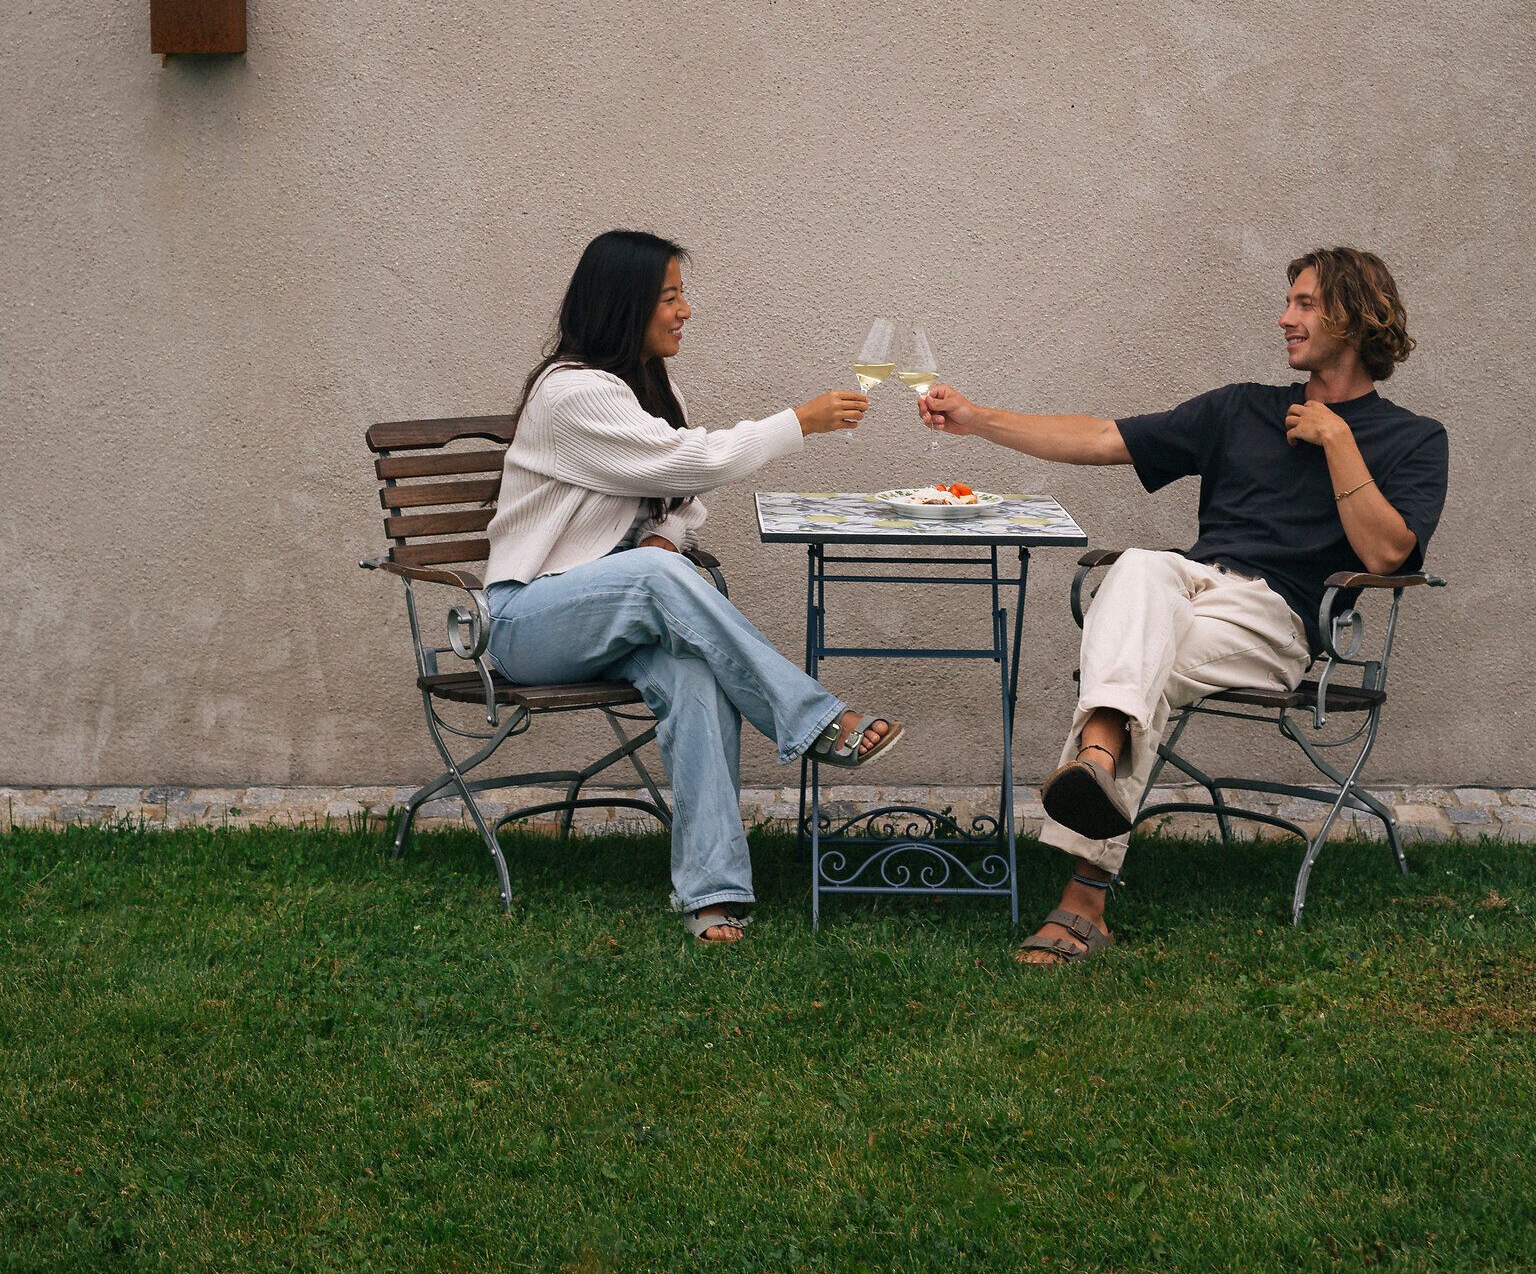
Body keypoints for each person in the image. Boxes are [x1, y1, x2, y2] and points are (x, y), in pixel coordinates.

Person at [918, 247, 1448, 967]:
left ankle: (1086, 852)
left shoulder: (1414, 439)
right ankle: (1096, 792)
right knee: (1140, 570)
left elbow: (1386, 555)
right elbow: (1103, 438)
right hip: (1187, 589)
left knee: (1143, 655)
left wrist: (1338, 441)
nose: (1284, 317)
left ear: (1352, 316)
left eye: (1302, 303)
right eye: (1288, 302)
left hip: (1278, 619)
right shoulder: (1240, 409)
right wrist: (976, 419)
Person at [484, 229, 906, 944]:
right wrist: (796, 423)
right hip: (531, 622)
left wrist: (662, 539)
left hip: (616, 618)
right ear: (626, 305)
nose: (685, 312)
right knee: (657, 575)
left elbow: (681, 501)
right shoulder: (571, 395)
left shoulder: (649, 386)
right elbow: (691, 462)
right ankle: (813, 719)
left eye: (682, 295)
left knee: (695, 676)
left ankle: (712, 894)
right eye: (670, 296)